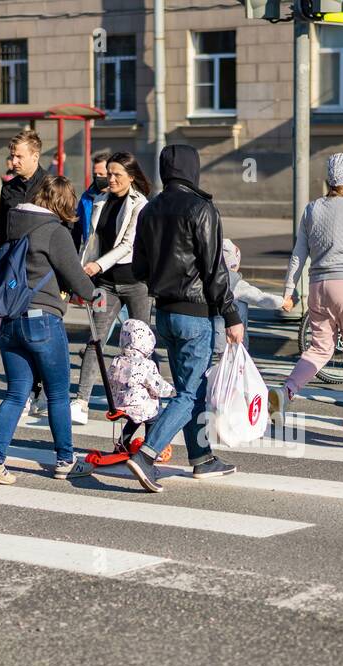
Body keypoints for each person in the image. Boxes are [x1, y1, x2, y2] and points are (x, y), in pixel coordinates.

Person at [127, 143, 242, 493]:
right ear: (193, 169)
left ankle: (202, 457)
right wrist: (232, 314)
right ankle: (147, 454)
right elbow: (214, 270)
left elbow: (139, 267)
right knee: (190, 393)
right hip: (196, 315)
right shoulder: (201, 208)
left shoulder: (149, 211)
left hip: (165, 313)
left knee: (191, 390)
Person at [0, 175, 98, 485]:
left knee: (16, 394)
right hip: (42, 321)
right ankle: (65, 460)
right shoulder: (54, 232)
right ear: (63, 203)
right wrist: (93, 295)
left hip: (10, 321)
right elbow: (78, 280)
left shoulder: (15, 226)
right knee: (58, 394)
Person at [271, 153, 343, 428]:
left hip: (318, 287)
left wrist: (289, 290)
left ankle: (286, 392)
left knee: (320, 348)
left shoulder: (312, 209)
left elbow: (299, 252)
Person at [71, 151, 153, 425]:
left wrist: (97, 265)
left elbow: (128, 244)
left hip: (136, 283)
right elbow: (89, 239)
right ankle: (80, 401)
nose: (112, 179)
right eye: (109, 173)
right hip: (105, 285)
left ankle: (143, 399)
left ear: (131, 177)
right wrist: (83, 273)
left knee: (140, 345)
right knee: (95, 339)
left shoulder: (140, 203)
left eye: (118, 174)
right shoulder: (99, 200)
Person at [107, 318, 175, 452]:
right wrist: (173, 392)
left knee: (134, 419)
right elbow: (158, 386)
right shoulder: (145, 364)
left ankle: (122, 444)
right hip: (139, 407)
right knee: (154, 416)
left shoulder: (117, 361)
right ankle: (149, 448)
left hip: (119, 404)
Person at [0, 129, 47, 244]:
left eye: (19, 157)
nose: (14, 161)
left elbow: (67, 228)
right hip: (15, 258)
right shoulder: (8, 188)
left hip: (43, 259)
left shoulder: (52, 185)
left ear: (35, 157)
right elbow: (3, 229)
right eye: (13, 156)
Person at [75, 150, 112, 251]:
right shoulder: (86, 197)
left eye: (101, 174)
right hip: (91, 252)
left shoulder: (119, 197)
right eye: (95, 175)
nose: (97, 178)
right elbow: (78, 228)